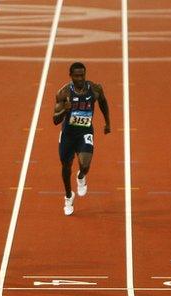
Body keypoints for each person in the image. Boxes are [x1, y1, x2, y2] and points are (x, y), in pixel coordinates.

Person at [53, 62, 110, 216]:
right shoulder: (63, 93)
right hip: (68, 135)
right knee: (66, 166)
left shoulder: (95, 89)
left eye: (82, 75)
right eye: (76, 76)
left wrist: (107, 123)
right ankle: (68, 196)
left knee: (85, 165)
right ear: (70, 76)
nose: (80, 78)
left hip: (85, 133)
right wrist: (65, 110)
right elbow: (55, 120)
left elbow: (103, 103)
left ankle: (81, 177)